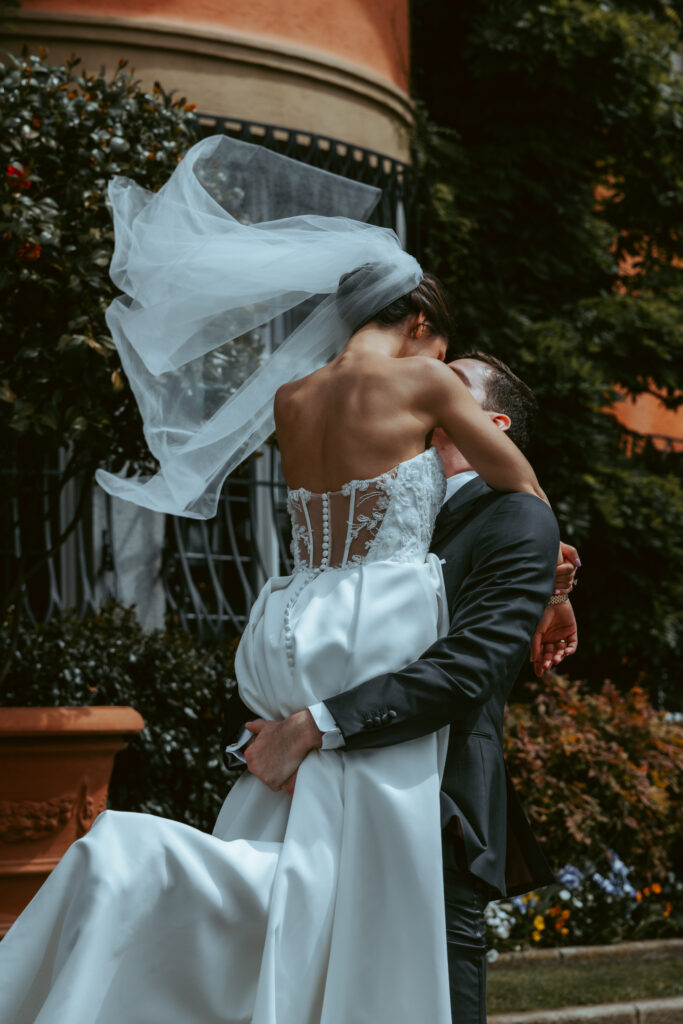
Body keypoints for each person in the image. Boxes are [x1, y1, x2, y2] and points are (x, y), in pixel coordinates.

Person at [0, 137, 559, 1023]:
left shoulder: (290, 398)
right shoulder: (423, 383)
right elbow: (519, 481)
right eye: (439, 342)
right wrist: (557, 579)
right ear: (419, 324)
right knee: (367, 857)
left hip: (294, 613)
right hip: (377, 617)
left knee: (291, 852)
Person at [223, 351, 579, 1024]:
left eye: (450, 385)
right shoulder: (370, 509)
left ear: (490, 426)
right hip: (311, 803)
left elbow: (467, 667)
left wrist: (311, 727)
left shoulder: (511, 519)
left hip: (431, 807)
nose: (420, 385)